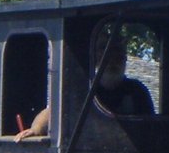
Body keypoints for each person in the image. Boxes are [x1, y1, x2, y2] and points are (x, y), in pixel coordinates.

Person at [15, 40, 153, 140]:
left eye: (118, 55)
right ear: (96, 58)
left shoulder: (137, 91)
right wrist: (36, 130)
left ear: (125, 59)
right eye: (107, 55)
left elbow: (150, 126)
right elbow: (54, 110)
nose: (113, 61)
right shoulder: (82, 87)